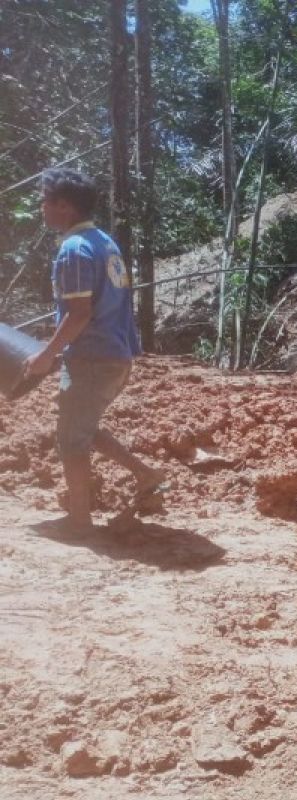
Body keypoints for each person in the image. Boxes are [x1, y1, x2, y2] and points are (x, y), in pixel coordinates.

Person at [21, 168, 166, 534]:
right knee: (81, 428)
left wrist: (46, 354)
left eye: (46, 202)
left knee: (71, 438)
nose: (42, 209)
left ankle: (79, 520)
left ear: (64, 206)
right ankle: (145, 473)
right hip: (116, 355)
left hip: (92, 357)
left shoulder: (74, 249)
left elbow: (79, 313)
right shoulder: (104, 243)